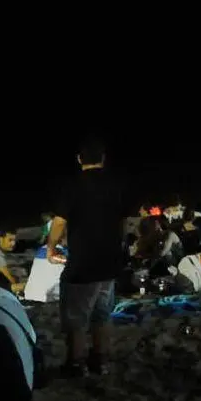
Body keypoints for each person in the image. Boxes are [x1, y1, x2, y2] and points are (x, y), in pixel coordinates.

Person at [46, 138, 128, 378]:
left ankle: (76, 364)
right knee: (102, 315)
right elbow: (122, 222)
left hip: (83, 264)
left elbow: (60, 221)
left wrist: (51, 246)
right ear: (103, 159)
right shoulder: (115, 186)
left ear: (79, 159)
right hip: (110, 262)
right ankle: (100, 361)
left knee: (77, 318)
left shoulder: (72, 186)